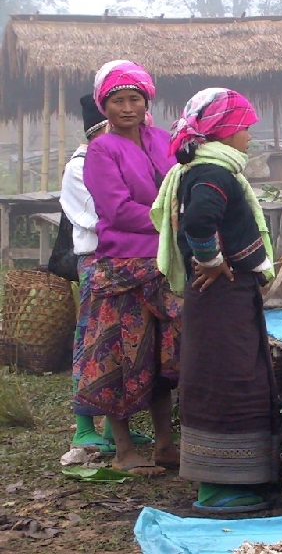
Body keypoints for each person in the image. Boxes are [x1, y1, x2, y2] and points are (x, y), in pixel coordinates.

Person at [151, 87, 280, 513]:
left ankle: (227, 481)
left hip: (223, 299)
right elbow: (200, 221)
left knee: (222, 375)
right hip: (221, 295)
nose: (249, 136)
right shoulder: (213, 174)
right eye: (244, 127)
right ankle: (223, 488)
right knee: (230, 378)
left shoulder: (209, 169)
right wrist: (211, 259)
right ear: (223, 131)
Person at [76, 60, 181, 476]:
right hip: (123, 270)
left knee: (159, 358)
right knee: (118, 357)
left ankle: (165, 446)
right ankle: (123, 451)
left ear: (146, 101)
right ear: (105, 106)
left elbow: (179, 183)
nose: (127, 107)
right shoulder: (102, 148)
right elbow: (115, 210)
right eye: (117, 100)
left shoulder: (162, 140)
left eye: (134, 99)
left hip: (165, 265)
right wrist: (169, 218)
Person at [63, 94, 154, 454]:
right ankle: (84, 425)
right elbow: (102, 214)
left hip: (128, 257)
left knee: (123, 344)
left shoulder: (128, 156)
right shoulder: (81, 165)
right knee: (93, 340)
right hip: (98, 260)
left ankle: (112, 430)